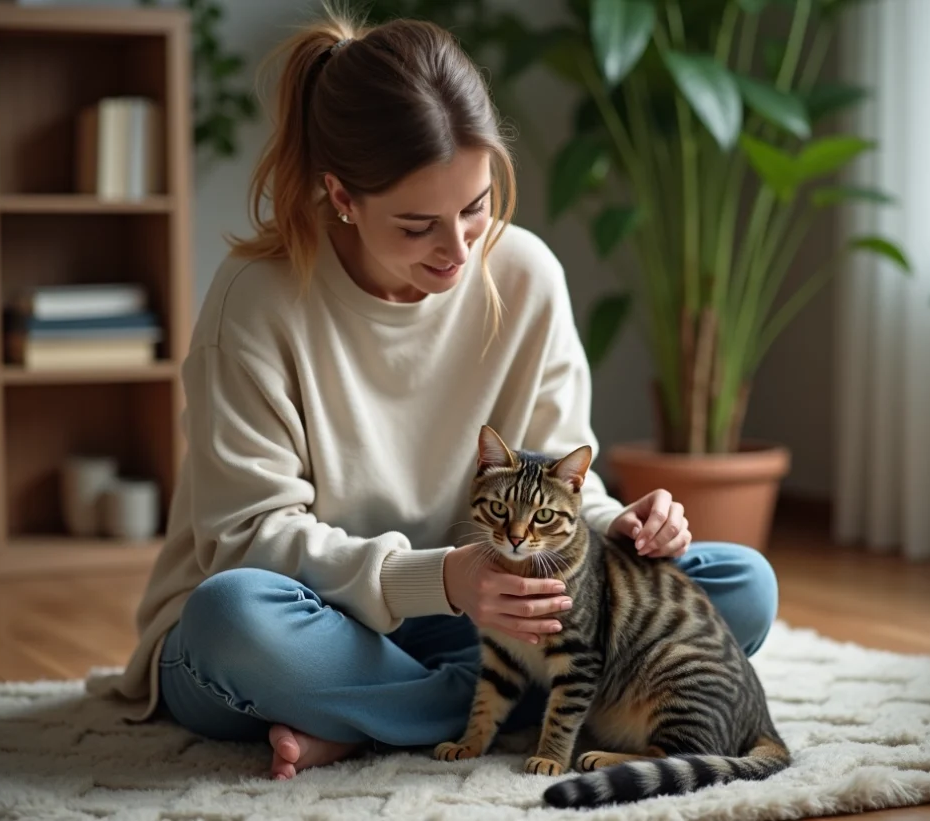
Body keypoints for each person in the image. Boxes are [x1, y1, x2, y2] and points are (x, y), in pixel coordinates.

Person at [97, 5, 780, 781]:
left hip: (489, 615)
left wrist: (620, 526)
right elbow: (246, 539)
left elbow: (556, 479)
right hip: (312, 621)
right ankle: (451, 707)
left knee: (742, 586)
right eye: (418, 225)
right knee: (232, 619)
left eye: (476, 207)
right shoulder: (257, 298)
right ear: (342, 196)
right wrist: (443, 578)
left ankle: (370, 719)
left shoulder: (526, 274)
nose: (458, 250)